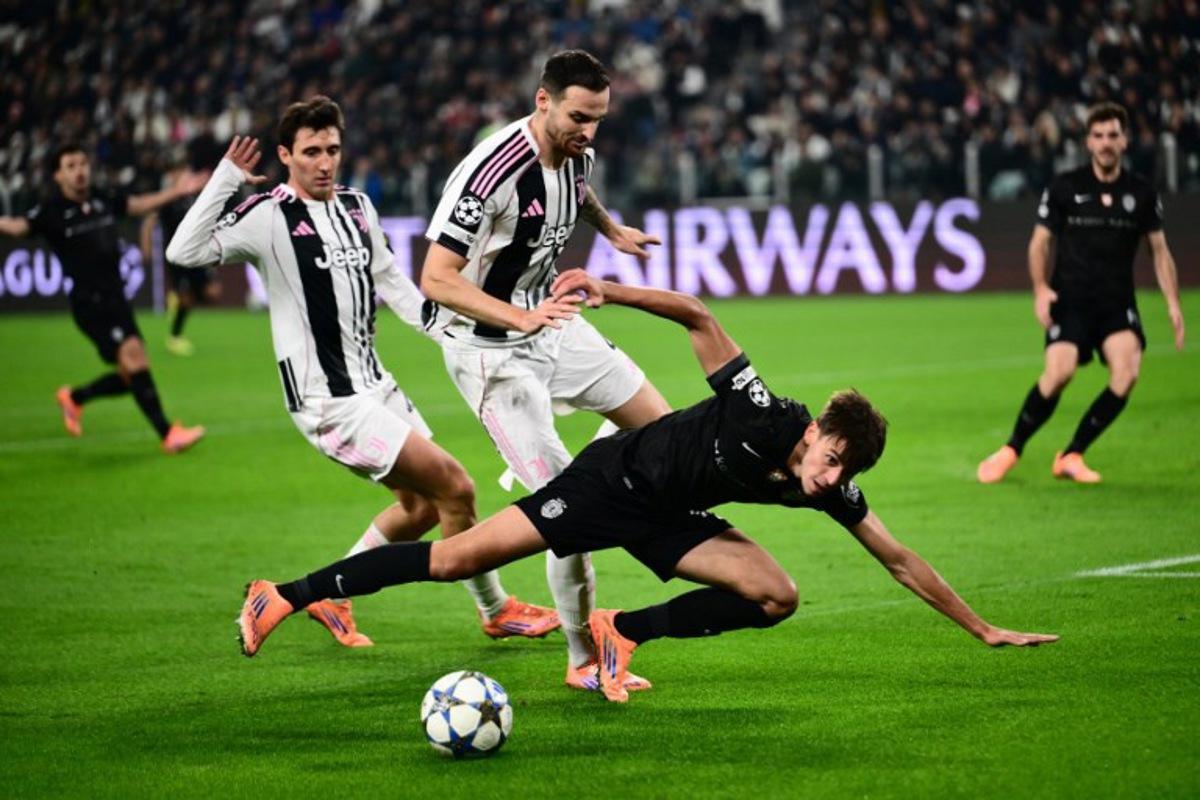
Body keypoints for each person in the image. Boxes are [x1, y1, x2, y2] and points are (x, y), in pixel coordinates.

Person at [237, 271, 1059, 703]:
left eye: (845, 474)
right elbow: (700, 318)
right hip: (611, 482)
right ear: (817, 436)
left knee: (777, 594)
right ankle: (285, 592)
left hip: (672, 514)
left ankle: (621, 630)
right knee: (454, 559)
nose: (832, 480)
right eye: (832, 460)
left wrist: (982, 629)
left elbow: (900, 559)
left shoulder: (826, 486)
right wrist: (610, 292)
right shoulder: (769, 415)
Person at [166, 97, 559, 649]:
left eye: (332, 149)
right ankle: (495, 609)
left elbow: (394, 282)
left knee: (420, 507)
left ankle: (333, 594)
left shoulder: (357, 208)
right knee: (456, 487)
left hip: (378, 386)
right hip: (328, 401)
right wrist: (227, 179)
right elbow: (183, 251)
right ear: (285, 156)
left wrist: (444, 327)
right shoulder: (267, 216)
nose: (324, 162)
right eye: (310, 152)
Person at [418, 49, 670, 691]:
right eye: (579, 116)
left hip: (551, 322)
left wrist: (611, 232)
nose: (589, 131)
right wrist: (514, 316)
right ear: (543, 101)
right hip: (490, 351)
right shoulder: (489, 173)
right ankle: (583, 658)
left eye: (598, 119)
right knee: (569, 514)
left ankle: (582, 471)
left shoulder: (578, 150)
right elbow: (436, 278)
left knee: (661, 428)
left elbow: (577, 190)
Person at [977, 102, 1185, 485]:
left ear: (1125, 140)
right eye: (1099, 135)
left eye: (1113, 135)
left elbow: (1160, 251)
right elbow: (1039, 244)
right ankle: (1011, 449)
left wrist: (1173, 303)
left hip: (1116, 304)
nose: (1106, 143)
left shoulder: (1140, 193)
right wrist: (1040, 290)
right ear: (1088, 141)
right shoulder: (1065, 187)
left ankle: (1072, 454)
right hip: (1069, 299)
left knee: (1127, 374)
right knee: (1059, 373)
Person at [0, 144, 206, 453]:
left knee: (131, 376)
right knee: (135, 356)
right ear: (58, 175)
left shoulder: (101, 198)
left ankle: (75, 397)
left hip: (116, 298)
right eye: (71, 165)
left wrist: (176, 192)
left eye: (82, 163)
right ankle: (168, 434)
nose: (80, 170)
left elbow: (137, 205)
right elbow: (17, 227)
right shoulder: (52, 211)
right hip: (90, 303)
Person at [141, 159, 222, 357]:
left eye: (187, 171)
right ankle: (174, 337)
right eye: (181, 172)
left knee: (211, 293)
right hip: (177, 256)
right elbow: (149, 222)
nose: (185, 175)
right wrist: (147, 247)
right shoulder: (168, 198)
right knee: (187, 298)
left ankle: (176, 301)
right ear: (173, 175)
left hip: (197, 253)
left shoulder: (192, 197)